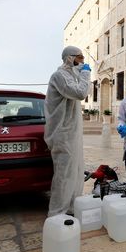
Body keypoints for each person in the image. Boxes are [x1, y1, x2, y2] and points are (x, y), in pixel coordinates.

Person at [44, 46, 91, 217]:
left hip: (73, 134)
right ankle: (57, 213)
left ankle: (72, 207)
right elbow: (80, 93)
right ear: (70, 58)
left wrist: (82, 74)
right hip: (62, 133)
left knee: (76, 172)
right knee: (64, 174)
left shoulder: (72, 76)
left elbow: (84, 89)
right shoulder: (59, 76)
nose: (83, 61)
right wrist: (86, 74)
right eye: (80, 58)